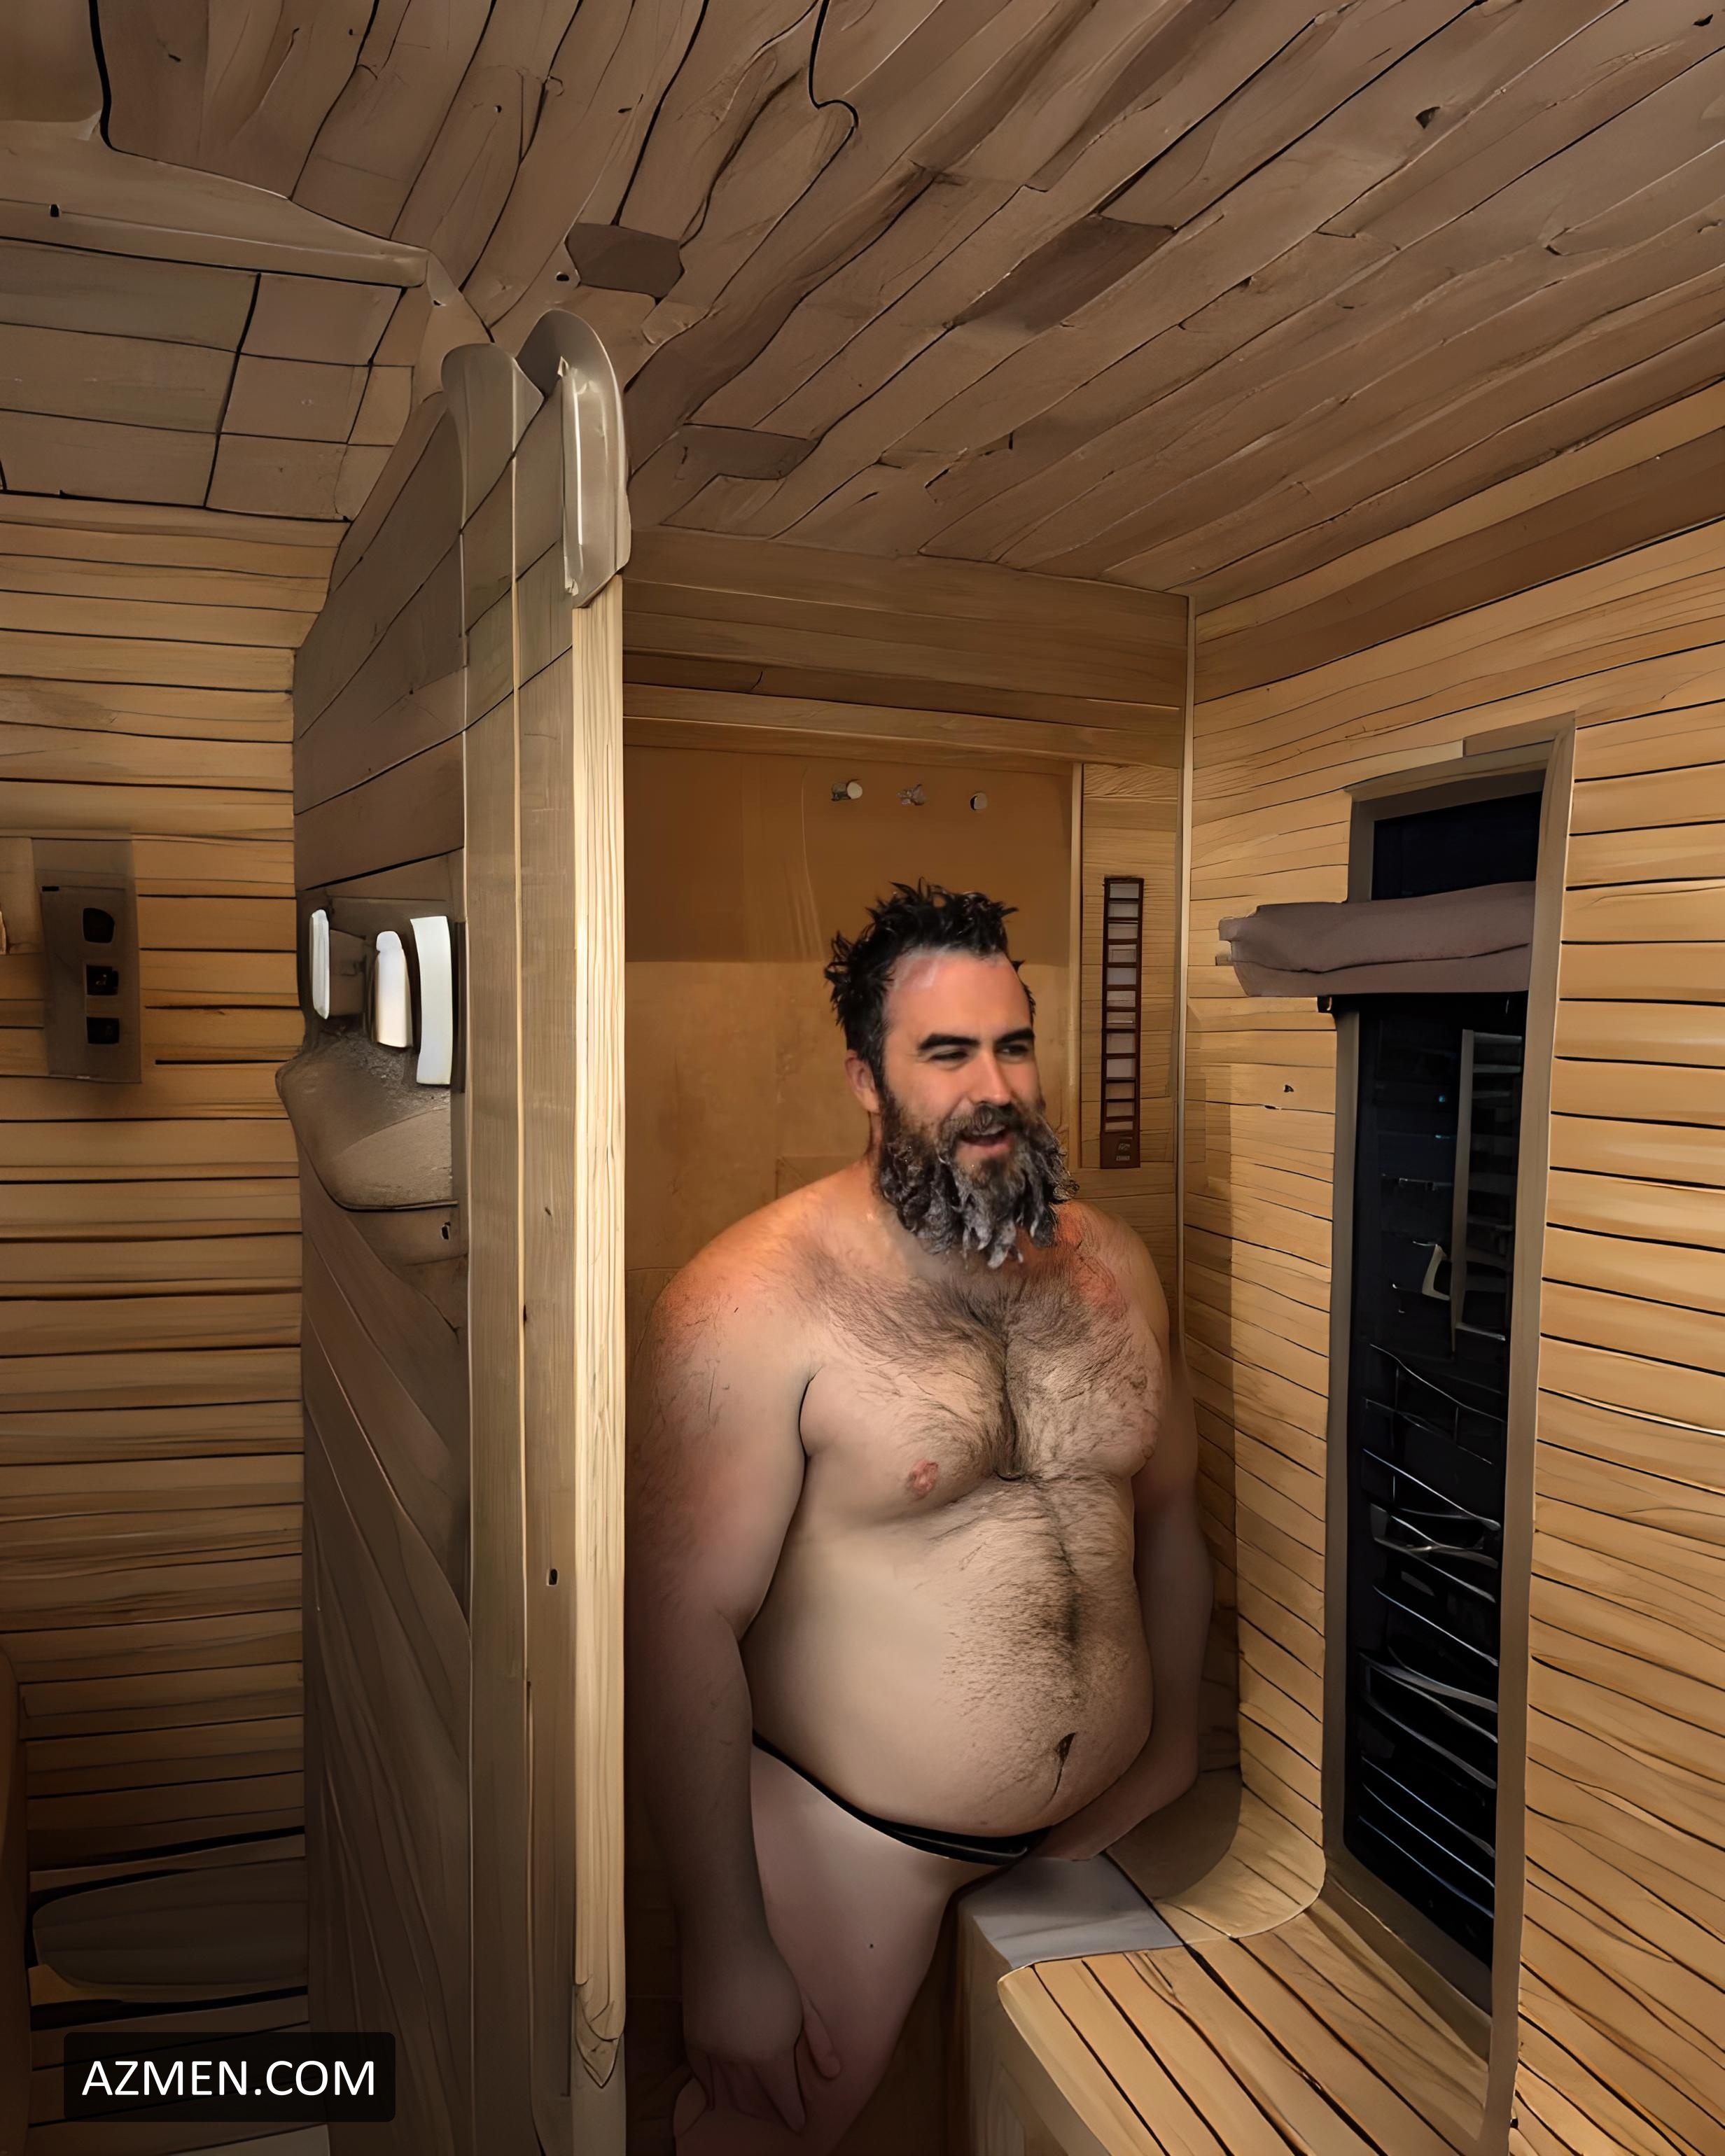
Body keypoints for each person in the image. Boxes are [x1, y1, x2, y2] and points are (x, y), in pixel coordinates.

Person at [627, 882, 1211, 2153]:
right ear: (866, 1078)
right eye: (946, 1053)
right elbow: (677, 1622)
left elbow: (1169, 1518)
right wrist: (726, 1946)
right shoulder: (751, 1300)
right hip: (851, 1841)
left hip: (1104, 1816)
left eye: (1014, 1045)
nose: (993, 1088)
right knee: (754, 2138)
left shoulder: (1116, 1268)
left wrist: (1172, 1746)